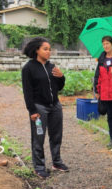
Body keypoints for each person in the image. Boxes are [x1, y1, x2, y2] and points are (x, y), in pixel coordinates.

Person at [22, 37, 68, 179]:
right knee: (38, 138)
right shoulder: (28, 68)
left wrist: (61, 77)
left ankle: (57, 162)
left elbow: (59, 87)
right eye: (45, 49)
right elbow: (27, 92)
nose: (49, 52)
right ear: (37, 50)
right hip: (39, 107)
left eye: (49, 49)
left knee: (56, 136)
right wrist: (32, 111)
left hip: (55, 106)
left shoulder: (51, 66)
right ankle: (39, 167)